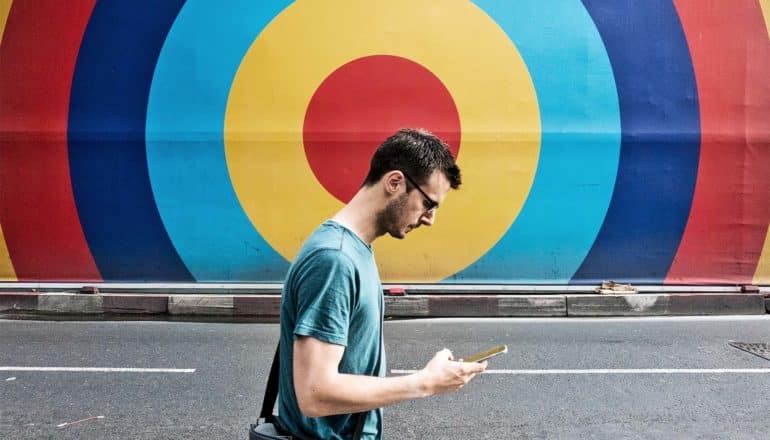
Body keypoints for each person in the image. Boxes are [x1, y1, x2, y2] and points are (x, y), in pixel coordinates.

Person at [277, 128, 487, 439]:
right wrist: (425, 382)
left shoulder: (354, 249)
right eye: (429, 203)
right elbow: (315, 393)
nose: (430, 219)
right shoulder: (335, 260)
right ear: (394, 182)